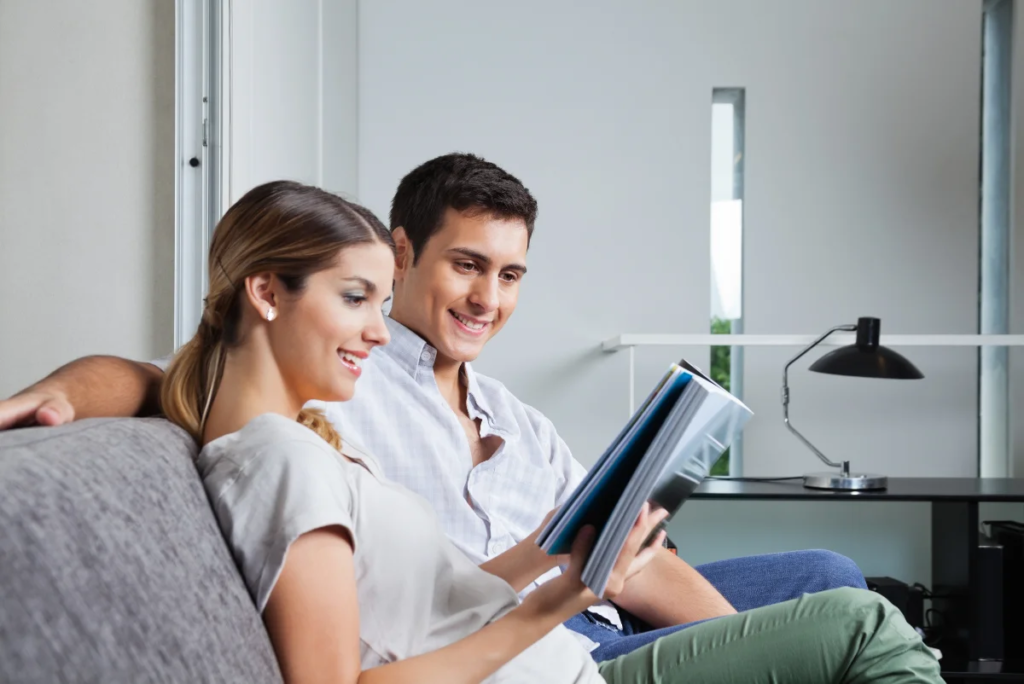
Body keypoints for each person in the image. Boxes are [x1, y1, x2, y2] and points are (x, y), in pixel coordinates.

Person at [0, 153, 866, 660]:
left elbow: (627, 558)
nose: (489, 298)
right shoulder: (332, 376)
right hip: (542, 641)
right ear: (404, 251)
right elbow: (161, 376)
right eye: (467, 266)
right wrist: (62, 393)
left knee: (826, 576)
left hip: (591, 609)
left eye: (511, 275)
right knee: (844, 622)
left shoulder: (518, 419)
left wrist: (746, 648)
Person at [157, 178, 940, 683]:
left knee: (831, 578)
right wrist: (566, 596)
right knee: (863, 621)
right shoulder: (301, 436)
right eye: (356, 298)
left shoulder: (336, 438)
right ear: (268, 294)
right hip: (561, 654)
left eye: (510, 275)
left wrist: (562, 555)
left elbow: (443, 599)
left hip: (552, 640)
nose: (376, 328)